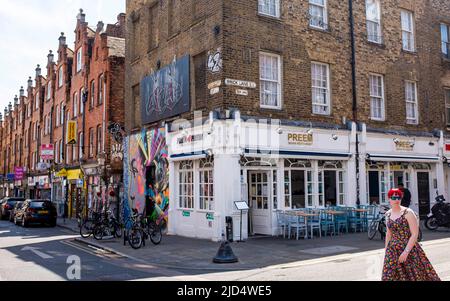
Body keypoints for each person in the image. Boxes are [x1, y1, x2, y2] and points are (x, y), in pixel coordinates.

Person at [382, 188, 440, 281]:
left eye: (398, 198)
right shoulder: (388, 214)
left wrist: (406, 252)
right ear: (389, 199)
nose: (396, 200)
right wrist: (387, 251)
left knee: (414, 275)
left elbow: (414, 234)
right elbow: (388, 234)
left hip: (409, 248)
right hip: (392, 250)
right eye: (393, 197)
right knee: (389, 276)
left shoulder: (408, 212)